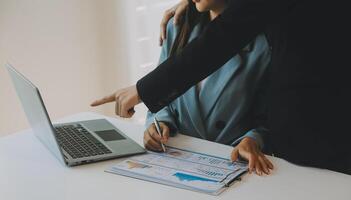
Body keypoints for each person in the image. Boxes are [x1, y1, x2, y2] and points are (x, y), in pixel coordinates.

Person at [91, 0, 351, 174]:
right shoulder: (180, 27)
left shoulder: (263, 44)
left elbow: (233, 29)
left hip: (324, 137)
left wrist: (142, 90)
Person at [143, 0, 273, 175]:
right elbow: (161, 95)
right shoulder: (178, 28)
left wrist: (252, 140)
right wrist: (157, 124)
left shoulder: (264, 46)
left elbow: (269, 117)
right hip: (175, 161)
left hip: (234, 165)